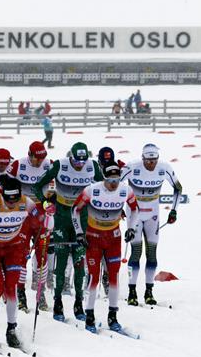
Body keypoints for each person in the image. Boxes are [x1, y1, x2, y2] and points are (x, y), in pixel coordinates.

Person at [0, 175, 49, 350]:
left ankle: (11, 330)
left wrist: (48, 213)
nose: (11, 204)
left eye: (15, 200)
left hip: (13, 249)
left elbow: (46, 224)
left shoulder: (26, 202)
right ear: (3, 195)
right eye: (8, 200)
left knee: (11, 288)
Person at [34, 142, 104, 322]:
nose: (80, 165)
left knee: (80, 261)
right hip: (62, 215)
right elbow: (37, 185)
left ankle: (79, 301)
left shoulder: (92, 166)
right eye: (76, 161)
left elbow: (103, 187)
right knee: (62, 260)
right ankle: (57, 301)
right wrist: (45, 203)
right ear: (70, 156)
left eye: (83, 161)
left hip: (81, 216)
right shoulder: (60, 164)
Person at [72, 163, 138, 333]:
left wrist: (131, 228)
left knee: (114, 276)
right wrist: (79, 233)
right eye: (110, 180)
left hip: (113, 238)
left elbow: (134, 209)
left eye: (116, 179)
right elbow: (75, 210)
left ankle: (113, 316)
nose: (114, 183)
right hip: (93, 238)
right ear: (104, 178)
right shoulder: (92, 190)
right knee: (94, 277)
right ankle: (90, 315)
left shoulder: (125, 190)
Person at [121, 144, 182, 305]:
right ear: (143, 158)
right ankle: (132, 292)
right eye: (148, 160)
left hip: (153, 215)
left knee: (152, 253)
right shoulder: (132, 166)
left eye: (154, 160)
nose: (151, 164)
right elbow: (114, 184)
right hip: (134, 214)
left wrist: (174, 211)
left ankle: (149, 291)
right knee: (136, 252)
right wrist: (119, 207)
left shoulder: (164, 167)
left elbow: (178, 188)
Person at [8, 140, 53, 310]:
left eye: (43, 158)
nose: (40, 161)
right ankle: (21, 294)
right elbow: (6, 186)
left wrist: (51, 201)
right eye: (37, 158)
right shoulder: (18, 165)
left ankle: (40, 294)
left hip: (40, 214)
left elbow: (56, 188)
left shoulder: (49, 165)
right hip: (22, 214)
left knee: (42, 254)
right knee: (22, 255)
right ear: (30, 155)